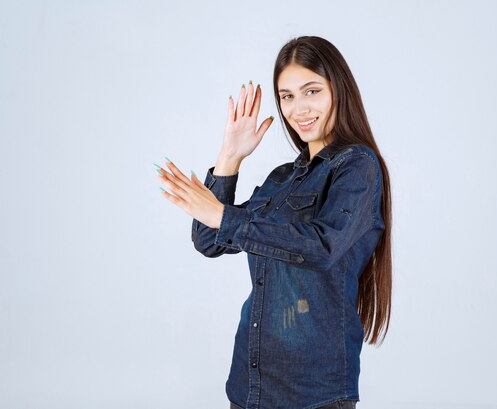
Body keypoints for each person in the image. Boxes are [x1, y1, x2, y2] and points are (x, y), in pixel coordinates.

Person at [155, 36, 393, 409]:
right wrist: (229, 157)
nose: (299, 108)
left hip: (314, 391)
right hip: (249, 385)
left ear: (338, 90)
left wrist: (222, 215)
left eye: (311, 91)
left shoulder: (357, 166)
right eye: (287, 96)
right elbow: (209, 240)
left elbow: (321, 246)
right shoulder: (282, 178)